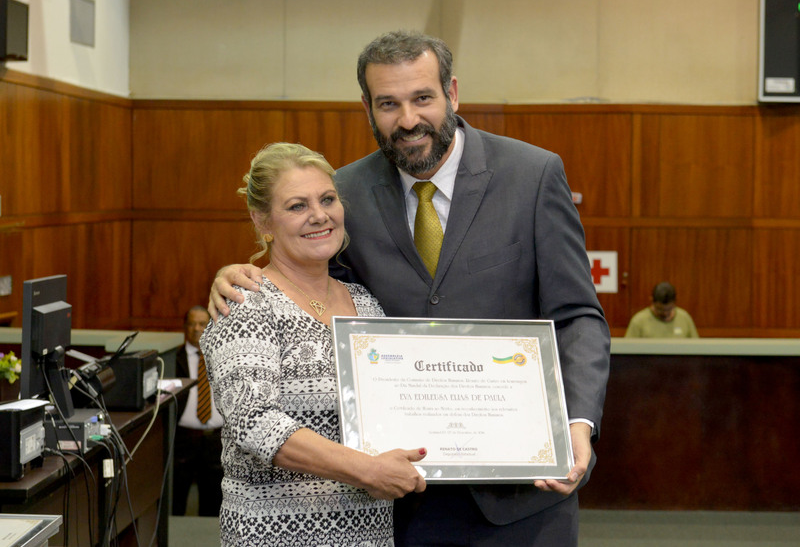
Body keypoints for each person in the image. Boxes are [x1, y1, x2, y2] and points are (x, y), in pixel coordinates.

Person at [209, 31, 610, 547]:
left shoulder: (532, 176)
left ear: (452, 93)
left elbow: (578, 314)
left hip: (523, 501)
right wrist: (238, 275)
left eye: (422, 98)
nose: (408, 120)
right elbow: (311, 282)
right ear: (367, 107)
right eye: (388, 104)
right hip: (397, 505)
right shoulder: (345, 193)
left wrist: (578, 423)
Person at [200, 142, 427, 546]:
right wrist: (367, 471)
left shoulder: (365, 304)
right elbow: (254, 422)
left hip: (368, 534)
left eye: (327, 199)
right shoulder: (247, 304)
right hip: (274, 536)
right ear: (263, 221)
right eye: (297, 206)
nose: (319, 215)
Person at [172, 305, 223, 517]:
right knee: (176, 497)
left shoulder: (223, 356)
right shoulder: (173, 358)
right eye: (192, 324)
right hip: (183, 438)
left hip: (216, 439)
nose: (196, 329)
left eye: (202, 324)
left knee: (213, 500)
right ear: (185, 327)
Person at [625, 281, 699, 338]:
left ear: (674, 303)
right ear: (652, 301)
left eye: (669, 309)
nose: (665, 313)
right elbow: (628, 349)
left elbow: (696, 347)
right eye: (660, 310)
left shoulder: (684, 318)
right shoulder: (639, 321)